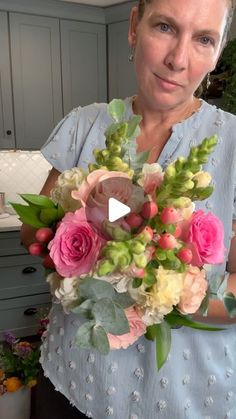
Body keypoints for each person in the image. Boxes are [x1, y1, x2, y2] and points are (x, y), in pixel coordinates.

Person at [21, 0, 236, 418]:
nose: (178, 59)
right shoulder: (84, 124)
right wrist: (82, 239)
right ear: (135, 27)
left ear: (218, 48)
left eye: (204, 38)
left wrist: (165, 292)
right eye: (165, 28)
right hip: (72, 381)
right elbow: (33, 233)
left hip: (183, 400)